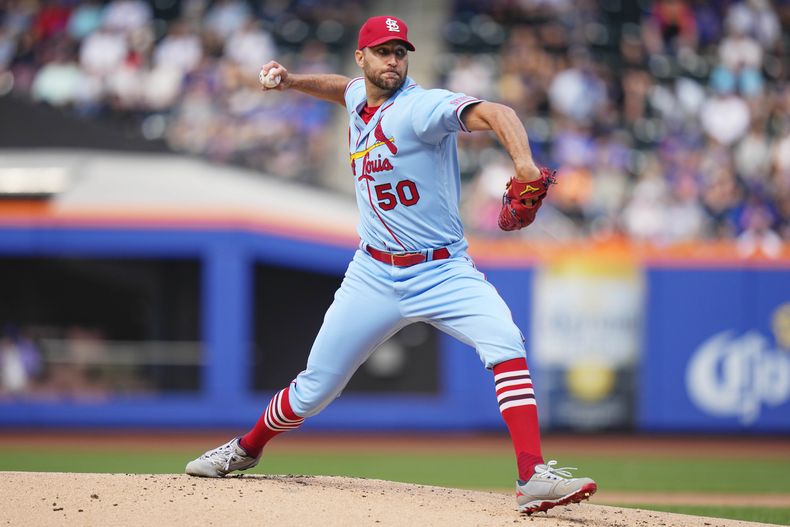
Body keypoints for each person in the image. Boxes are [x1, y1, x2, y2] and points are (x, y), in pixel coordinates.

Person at [185, 15, 597, 515]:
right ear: (362, 57)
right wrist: (293, 81)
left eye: (400, 52)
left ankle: (531, 474)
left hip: (442, 269)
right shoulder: (360, 95)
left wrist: (526, 168)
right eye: (383, 51)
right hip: (373, 273)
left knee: (506, 342)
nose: (394, 60)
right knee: (316, 386)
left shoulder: (421, 108)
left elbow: (498, 112)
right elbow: (343, 90)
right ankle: (245, 449)